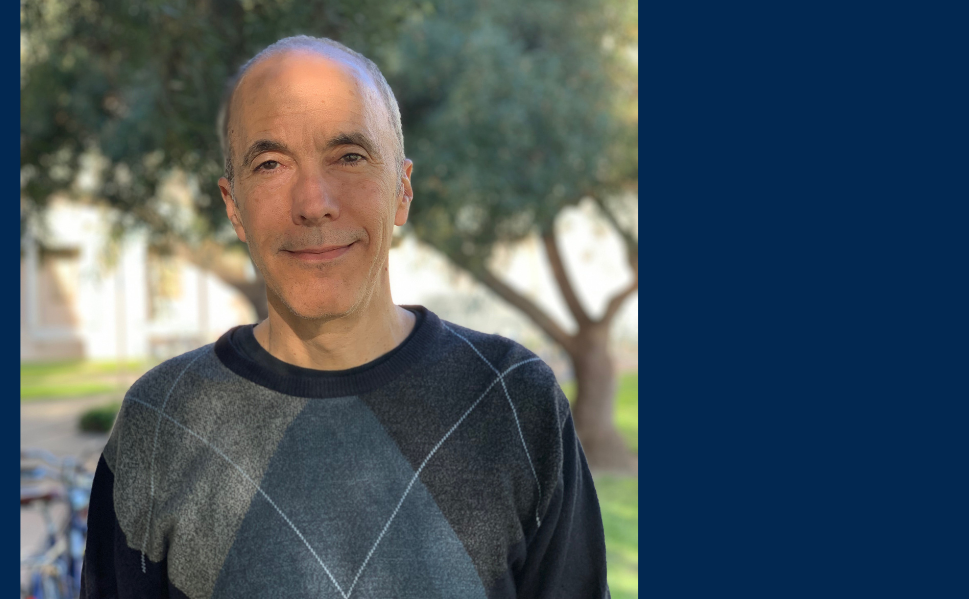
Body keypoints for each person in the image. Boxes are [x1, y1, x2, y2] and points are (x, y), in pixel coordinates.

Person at [80, 36, 609, 598]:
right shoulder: (160, 425)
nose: (313, 201)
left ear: (402, 190)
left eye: (349, 156)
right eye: (271, 163)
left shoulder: (513, 404)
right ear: (233, 206)